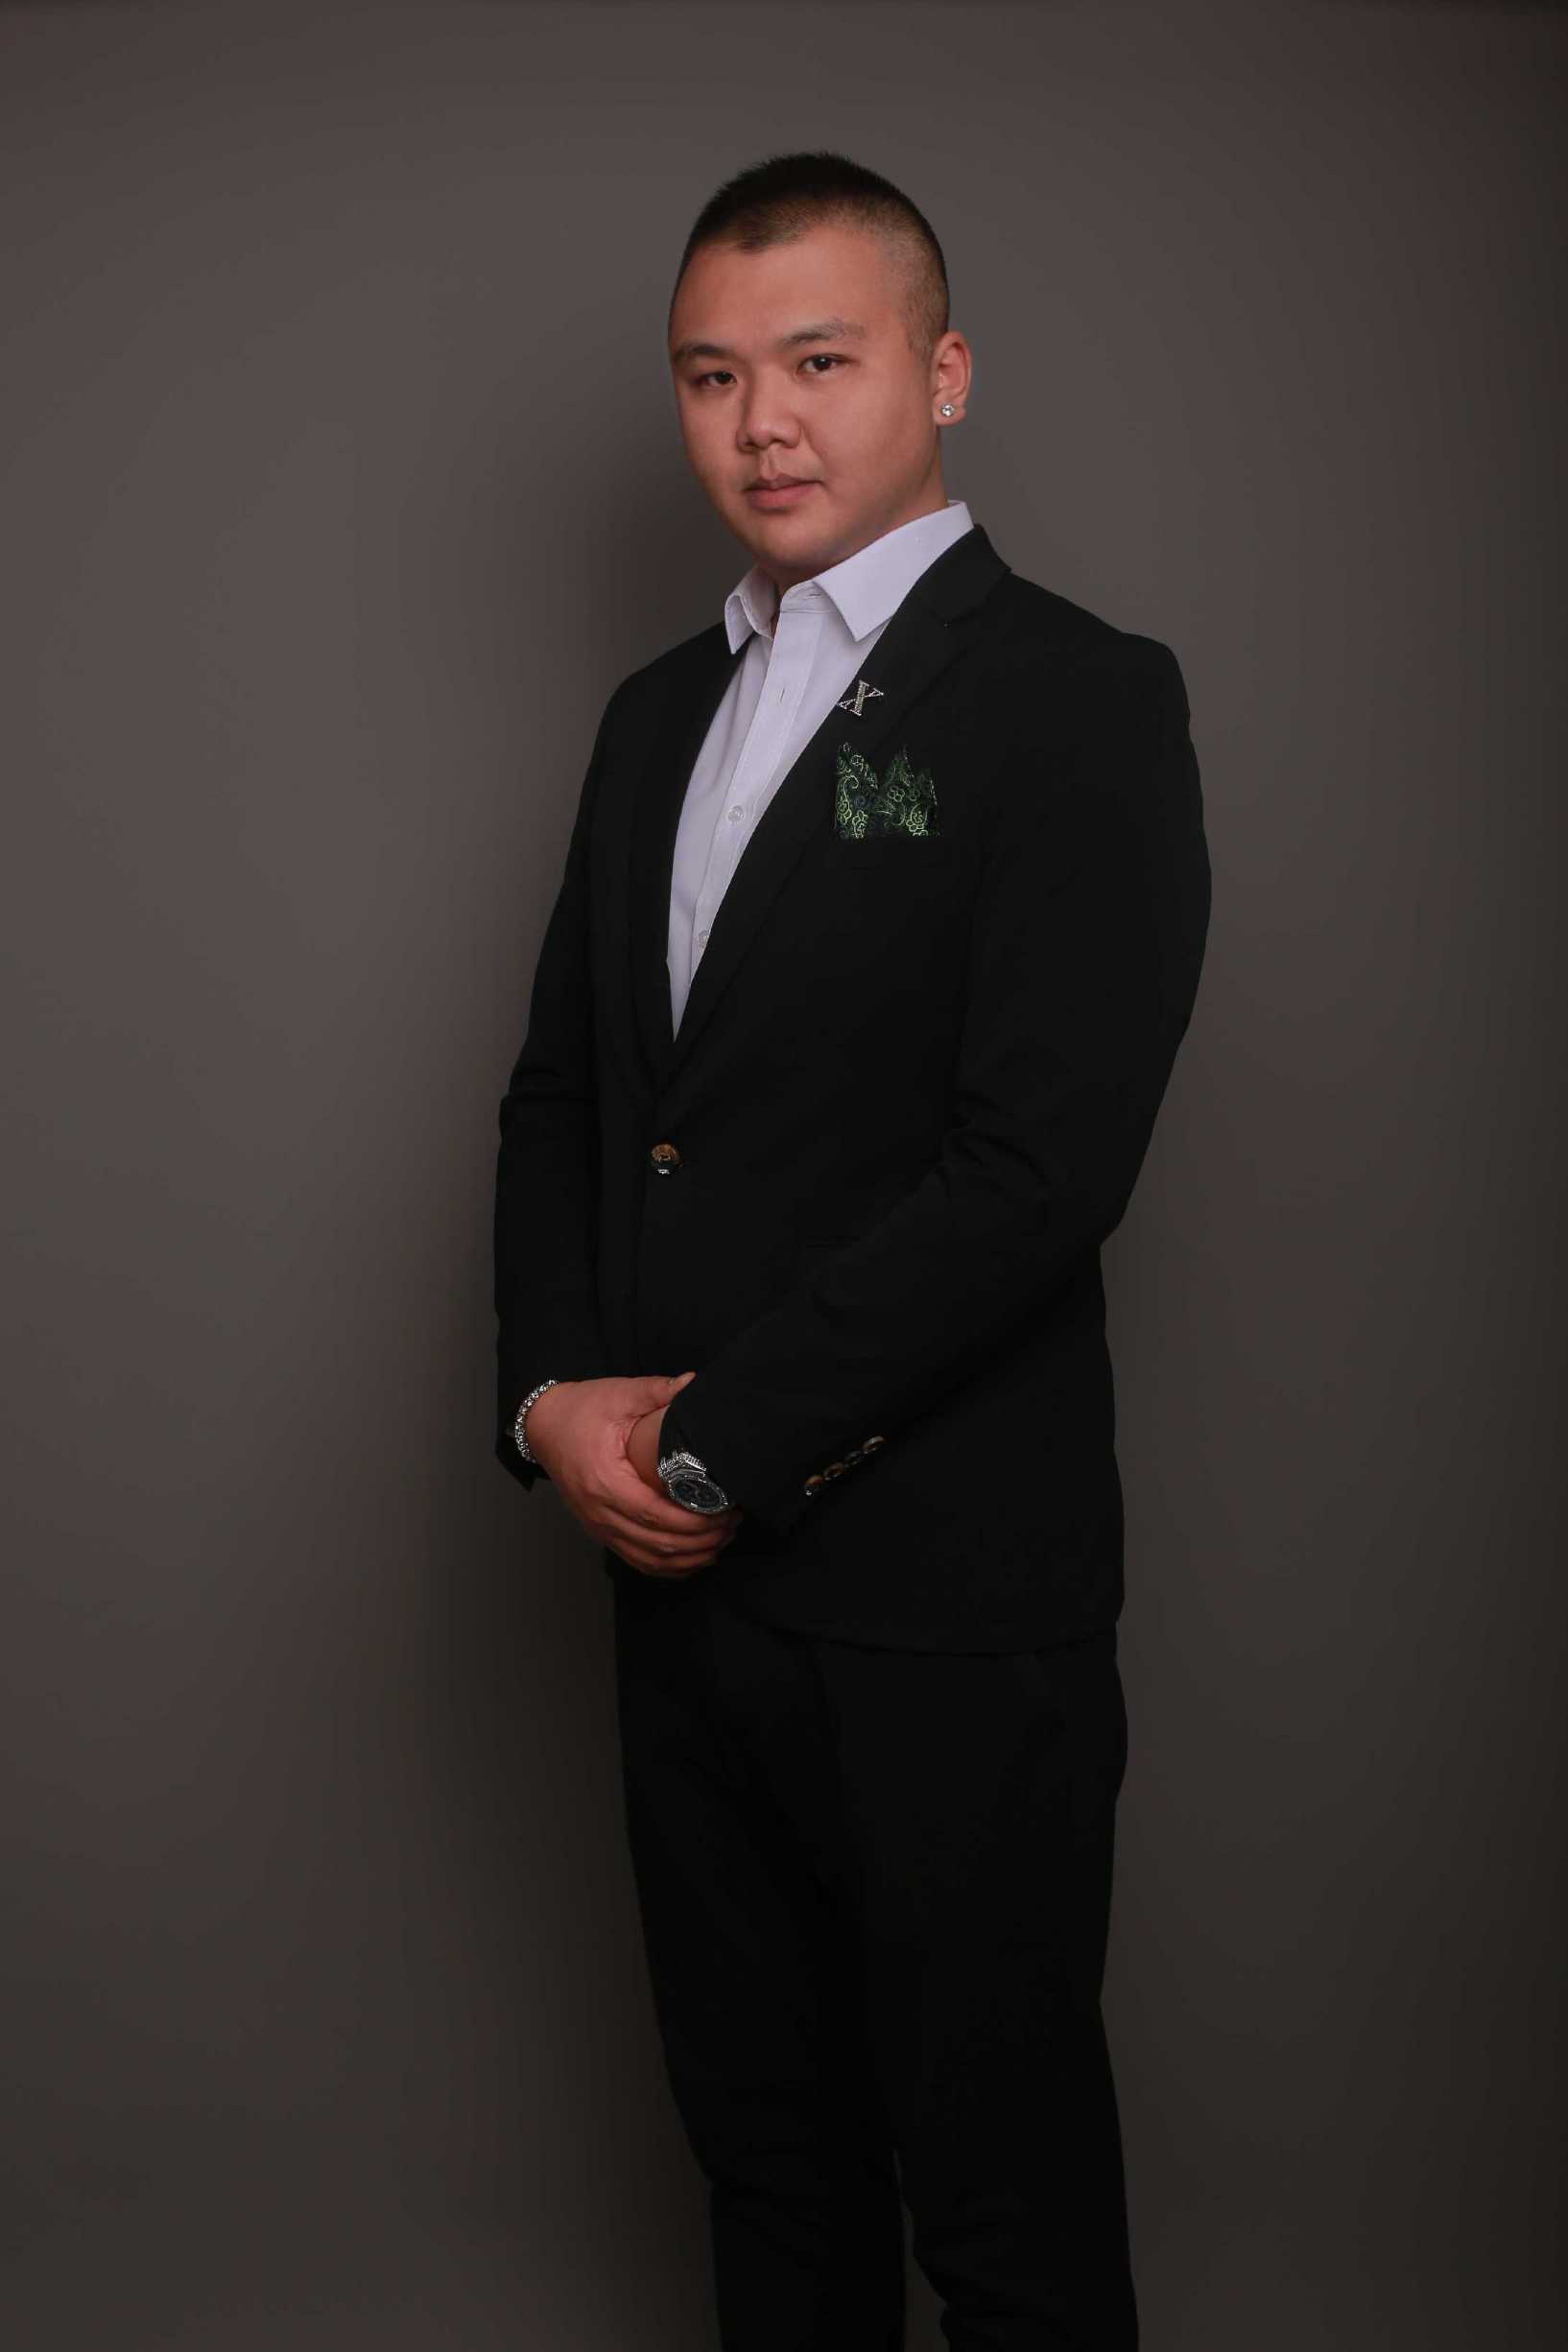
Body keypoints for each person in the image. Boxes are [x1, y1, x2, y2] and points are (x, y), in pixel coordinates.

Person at [493, 147, 1210, 2351]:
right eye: (712, 374)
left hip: (943, 1598)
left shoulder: (1076, 696)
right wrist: (551, 1400)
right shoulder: (653, 714)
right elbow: (567, 1100)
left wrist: (718, 1441)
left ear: (944, 372)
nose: (762, 422)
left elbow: (1037, 1167)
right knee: (770, 2170)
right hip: (673, 1595)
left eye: (817, 361)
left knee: (1002, 2207)